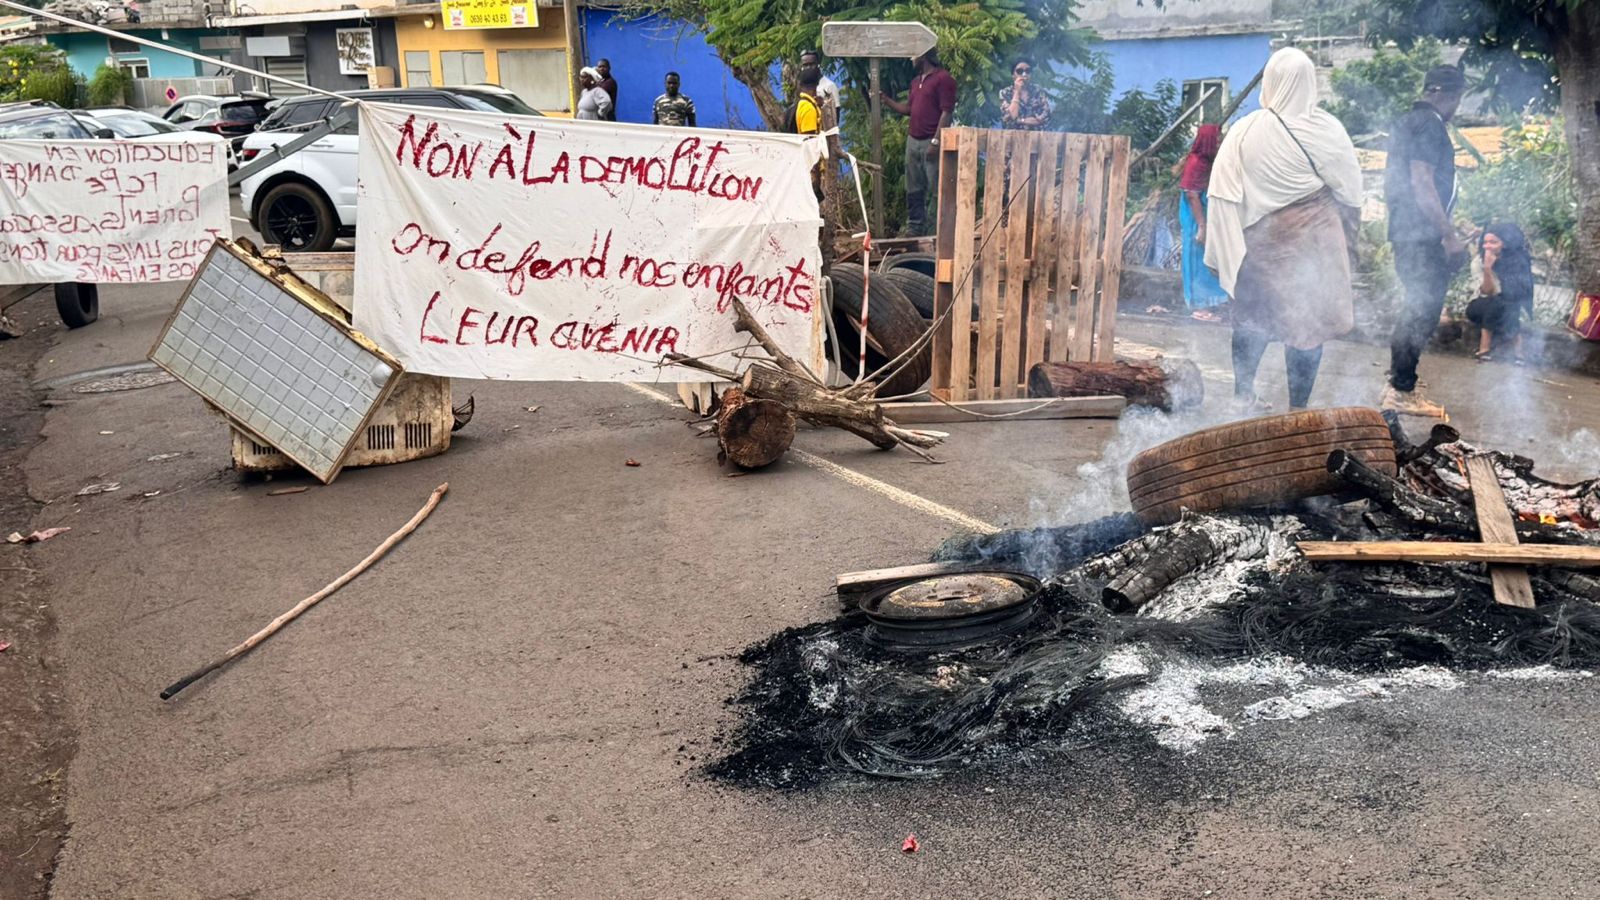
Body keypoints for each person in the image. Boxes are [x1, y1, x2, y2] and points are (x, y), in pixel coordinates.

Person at [1205, 47, 1363, 413]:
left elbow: (1222, 194)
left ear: (1271, 82)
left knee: (1252, 317)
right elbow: (1351, 195)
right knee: (1308, 326)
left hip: (1259, 246)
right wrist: (1350, 244)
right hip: (1315, 245)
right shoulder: (1329, 130)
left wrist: (1219, 246)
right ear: (1310, 83)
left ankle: (1242, 396)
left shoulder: (1245, 131)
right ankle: (1298, 408)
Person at [1382, 65, 1469, 417]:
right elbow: (1421, 182)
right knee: (1422, 309)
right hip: (1421, 235)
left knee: (1417, 306)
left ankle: (1399, 381)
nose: (1456, 108)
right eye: (1458, 99)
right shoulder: (1431, 126)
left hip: (1407, 230)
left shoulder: (1407, 122)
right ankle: (1401, 390)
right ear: (1447, 96)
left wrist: (1448, 222)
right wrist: (1447, 234)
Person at [880, 49, 957, 236]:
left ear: (923, 55)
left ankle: (938, 229)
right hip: (913, 140)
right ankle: (915, 227)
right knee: (914, 187)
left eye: (913, 55)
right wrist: (887, 101)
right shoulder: (916, 82)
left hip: (931, 140)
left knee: (936, 187)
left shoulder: (943, 79)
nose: (910, 58)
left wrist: (936, 141)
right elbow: (909, 109)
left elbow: (947, 112)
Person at [1179, 123, 1229, 320]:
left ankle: (1210, 303)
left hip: (1204, 214)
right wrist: (1202, 226)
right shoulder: (1196, 163)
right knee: (1198, 258)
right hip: (1195, 216)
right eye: (1216, 139)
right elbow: (1192, 195)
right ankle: (1200, 307)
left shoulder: (1208, 161)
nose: (1220, 142)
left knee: (1208, 258)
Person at [1465, 222, 1534, 363]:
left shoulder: (1518, 262)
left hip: (1505, 308)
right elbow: (1487, 292)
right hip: (1478, 305)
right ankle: (1488, 348)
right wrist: (1487, 269)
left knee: (1509, 304)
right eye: (1485, 242)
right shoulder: (1478, 261)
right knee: (1497, 301)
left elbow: (1521, 292)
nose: (1487, 246)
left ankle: (1512, 355)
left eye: (1493, 242)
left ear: (1506, 244)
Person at [999, 59, 1050, 131]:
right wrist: (1017, 92)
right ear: (1013, 76)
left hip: (1037, 138)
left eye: (1027, 71)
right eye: (1019, 71)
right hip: (1012, 138)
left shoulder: (1038, 91)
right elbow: (1009, 120)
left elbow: (1045, 118)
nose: (1024, 74)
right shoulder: (1005, 92)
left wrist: (1020, 120)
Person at [799, 50, 840, 127]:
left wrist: (823, 105)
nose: (808, 68)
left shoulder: (829, 86)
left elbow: (836, 115)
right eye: (805, 65)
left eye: (811, 64)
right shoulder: (801, 86)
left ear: (818, 64)